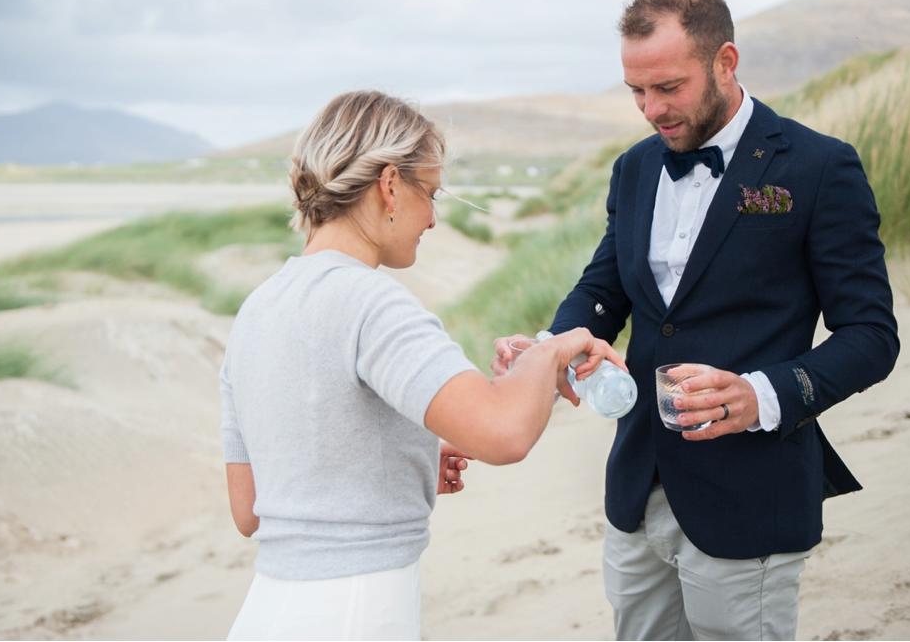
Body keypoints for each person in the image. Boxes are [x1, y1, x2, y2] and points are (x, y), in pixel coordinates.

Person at [495, 0, 900, 640]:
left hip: (750, 492)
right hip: (638, 483)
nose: (651, 108)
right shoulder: (633, 169)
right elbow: (604, 288)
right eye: (636, 90)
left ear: (725, 61)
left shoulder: (820, 168)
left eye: (669, 87)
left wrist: (760, 393)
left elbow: (871, 337)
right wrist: (551, 347)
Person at [218, 89, 626, 640]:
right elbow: (504, 435)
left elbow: (251, 509)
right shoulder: (371, 302)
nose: (433, 218)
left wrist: (399, 459)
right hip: (358, 609)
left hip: (267, 610)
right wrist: (554, 349)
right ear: (389, 184)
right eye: (431, 193)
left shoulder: (257, 309)